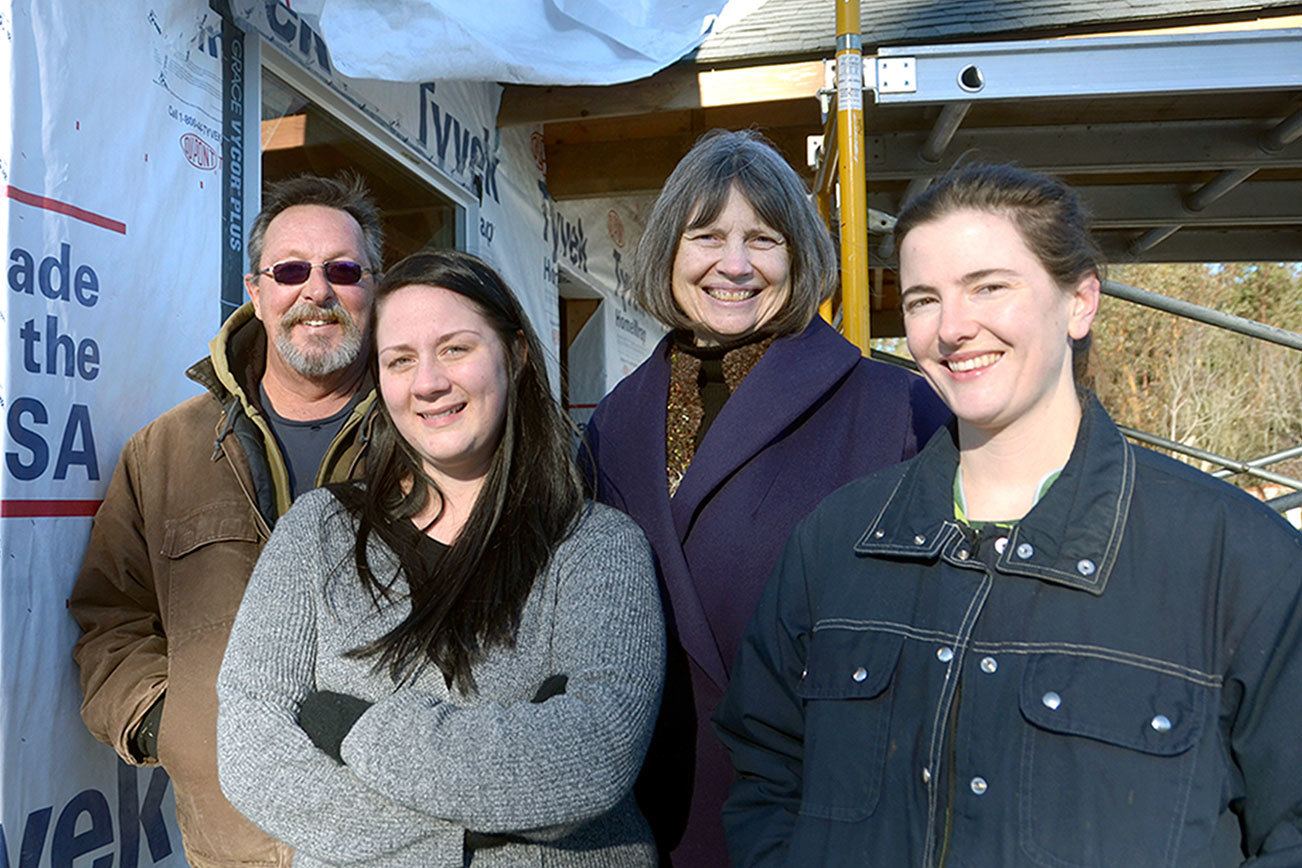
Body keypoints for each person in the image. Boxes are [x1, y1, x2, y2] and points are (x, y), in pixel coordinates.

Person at [716, 163, 1302, 866]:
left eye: (989, 286)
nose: (953, 329)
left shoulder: (1235, 560)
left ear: (1080, 300)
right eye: (923, 299)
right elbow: (765, 775)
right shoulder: (836, 545)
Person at [215, 250, 665, 866]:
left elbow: (593, 758)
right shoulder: (317, 535)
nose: (428, 382)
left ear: (516, 354)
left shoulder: (596, 548)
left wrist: (354, 730)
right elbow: (251, 750)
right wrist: (467, 836)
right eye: (400, 360)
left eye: (455, 349)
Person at [580, 128, 949, 864]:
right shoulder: (615, 419)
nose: (736, 265)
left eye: (765, 239)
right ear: (668, 253)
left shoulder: (898, 409)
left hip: (813, 813)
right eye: (707, 236)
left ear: (800, 255)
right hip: (641, 814)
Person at [70, 173, 383, 866]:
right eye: (292, 270)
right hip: (232, 847)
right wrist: (170, 726)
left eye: (343, 270)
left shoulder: (429, 442)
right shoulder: (165, 452)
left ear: (375, 287)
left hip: (403, 840)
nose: (317, 291)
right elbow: (110, 617)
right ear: (255, 291)